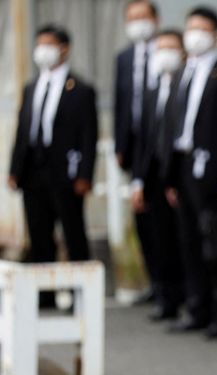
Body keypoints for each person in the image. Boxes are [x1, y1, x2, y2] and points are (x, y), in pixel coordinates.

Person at [164, 6, 217, 338]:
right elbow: (172, 127)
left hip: (213, 170)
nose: (194, 34)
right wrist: (170, 178)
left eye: (202, 28)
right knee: (188, 241)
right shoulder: (182, 72)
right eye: (190, 28)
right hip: (184, 167)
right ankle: (196, 308)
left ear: (215, 35)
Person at [8, 25, 97, 267]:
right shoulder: (31, 87)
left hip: (65, 171)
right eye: (40, 45)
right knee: (38, 231)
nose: (42, 51)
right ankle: (45, 294)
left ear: (64, 49)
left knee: (72, 230)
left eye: (49, 45)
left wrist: (85, 175)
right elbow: (23, 131)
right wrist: (14, 169)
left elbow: (89, 136)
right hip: (33, 170)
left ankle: (79, 290)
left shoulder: (80, 89)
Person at [131, 29, 186, 321]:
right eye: (159, 48)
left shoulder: (185, 87)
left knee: (181, 240)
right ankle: (165, 297)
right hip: (153, 178)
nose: (164, 53)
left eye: (170, 47)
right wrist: (138, 180)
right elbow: (144, 141)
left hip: (175, 177)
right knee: (157, 238)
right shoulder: (152, 92)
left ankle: (185, 296)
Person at [115, 0, 161, 304]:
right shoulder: (124, 57)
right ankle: (156, 284)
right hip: (134, 148)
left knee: (164, 222)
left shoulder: (168, 53)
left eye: (143, 17)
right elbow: (121, 102)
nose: (138, 23)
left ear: (155, 19)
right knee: (143, 219)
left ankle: (175, 288)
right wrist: (121, 146)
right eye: (132, 18)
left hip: (160, 147)